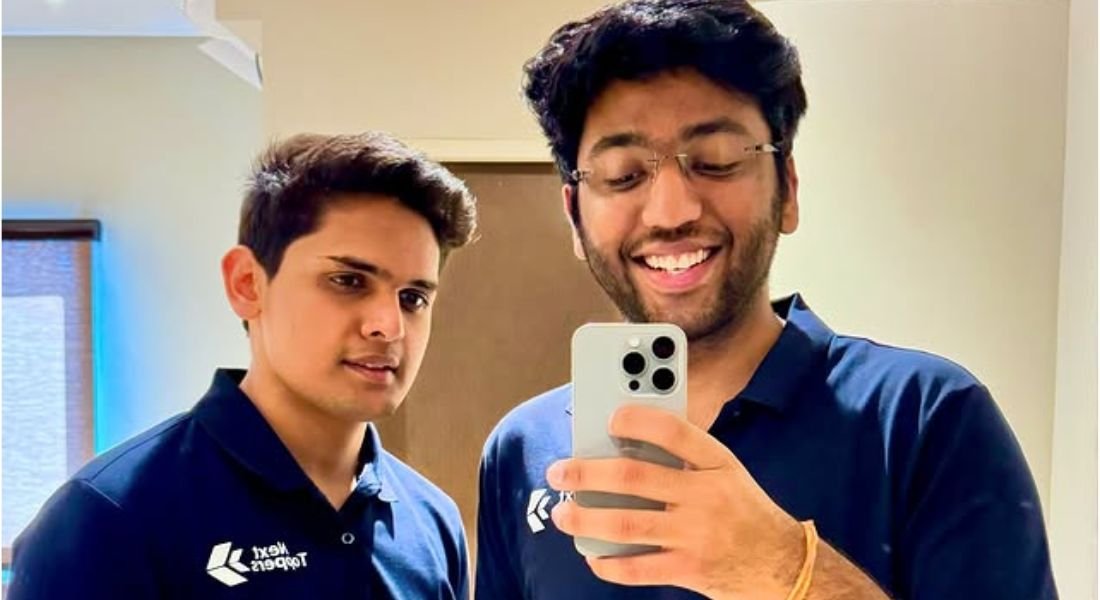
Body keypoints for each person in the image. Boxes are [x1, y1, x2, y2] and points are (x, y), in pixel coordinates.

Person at [475, 1, 1057, 598]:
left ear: (788, 191)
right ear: (574, 216)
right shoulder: (522, 450)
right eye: (623, 174)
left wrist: (782, 566)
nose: (671, 212)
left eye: (717, 162)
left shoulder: (925, 418)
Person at [10, 132, 477, 599]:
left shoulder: (431, 522)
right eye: (348, 280)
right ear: (247, 284)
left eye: (413, 298)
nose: (389, 326)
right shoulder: (109, 519)